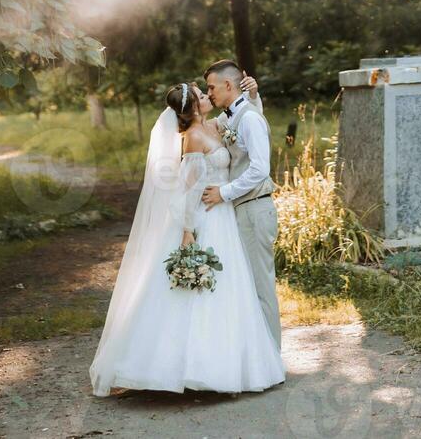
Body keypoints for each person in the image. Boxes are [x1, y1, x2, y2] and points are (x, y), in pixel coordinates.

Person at [89, 78, 285, 396]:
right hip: (207, 216)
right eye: (201, 95)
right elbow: (188, 189)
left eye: (207, 91)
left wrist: (253, 94)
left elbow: (246, 120)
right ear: (194, 107)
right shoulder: (193, 137)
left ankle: (234, 364)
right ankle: (194, 368)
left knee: (232, 290)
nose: (208, 95)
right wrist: (187, 231)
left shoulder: (215, 125)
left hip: (225, 215)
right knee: (203, 294)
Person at [202, 60, 282, 348]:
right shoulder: (231, 117)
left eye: (211, 87)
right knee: (248, 287)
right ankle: (258, 355)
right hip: (243, 210)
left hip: (255, 208)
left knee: (261, 287)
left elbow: (260, 169)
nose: (208, 92)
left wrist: (224, 192)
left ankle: (272, 356)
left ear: (227, 84)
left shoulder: (247, 118)